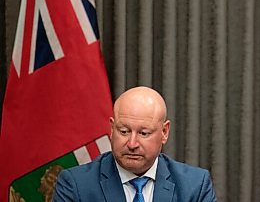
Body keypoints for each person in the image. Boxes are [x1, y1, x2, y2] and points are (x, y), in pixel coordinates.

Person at [53, 86, 217, 201]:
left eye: (144, 133)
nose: (132, 144)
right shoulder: (76, 185)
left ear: (164, 132)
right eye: (123, 131)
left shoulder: (194, 186)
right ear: (111, 129)